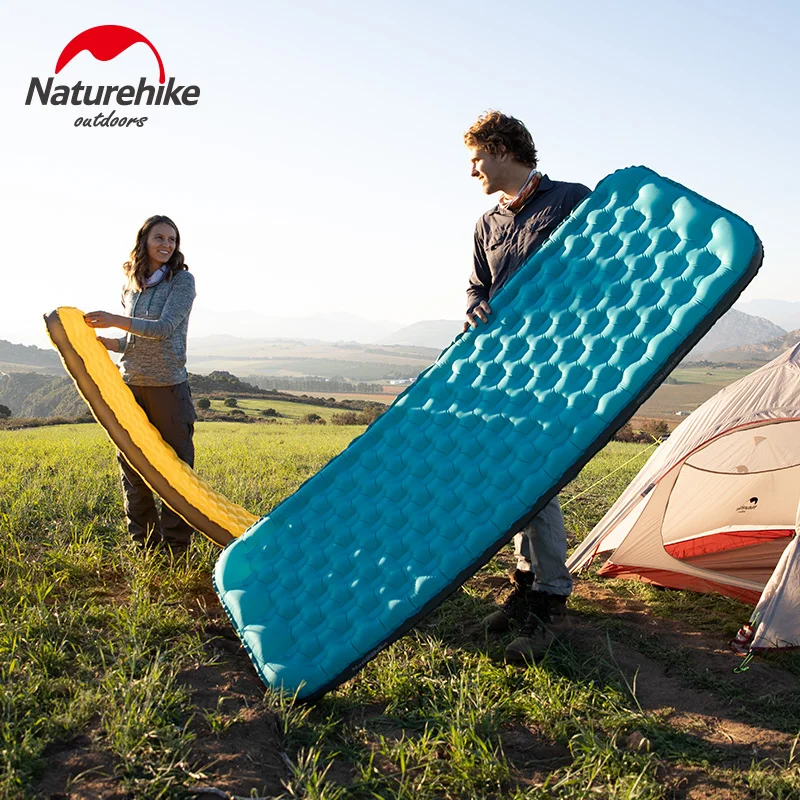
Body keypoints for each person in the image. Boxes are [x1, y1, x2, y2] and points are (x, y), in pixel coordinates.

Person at [463, 111, 590, 661]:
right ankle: (525, 586)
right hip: (504, 369)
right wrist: (475, 307)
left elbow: (600, 274)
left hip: (559, 365)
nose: (472, 171)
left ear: (499, 149)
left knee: (538, 480)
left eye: (476, 159)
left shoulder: (570, 200)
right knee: (513, 478)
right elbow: (477, 285)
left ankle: (550, 603)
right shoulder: (486, 223)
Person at [84, 215, 197, 558]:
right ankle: (145, 547)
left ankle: (177, 549)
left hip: (168, 387)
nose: (167, 245)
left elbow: (162, 328)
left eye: (172, 239)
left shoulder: (182, 282)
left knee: (176, 471)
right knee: (133, 469)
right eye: (159, 238)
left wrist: (115, 320)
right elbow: (135, 338)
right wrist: (111, 343)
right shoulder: (131, 286)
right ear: (144, 241)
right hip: (131, 386)